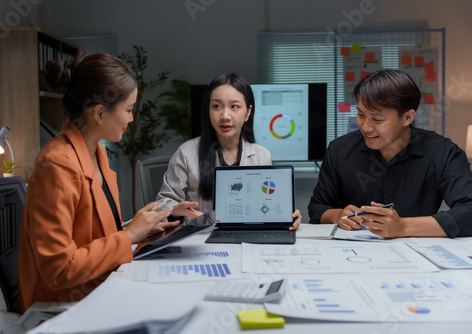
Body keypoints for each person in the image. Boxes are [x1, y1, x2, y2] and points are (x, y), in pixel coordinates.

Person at [17, 49, 179, 313]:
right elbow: (59, 270)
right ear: (100, 113)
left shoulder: (97, 152)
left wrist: (142, 232)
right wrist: (129, 235)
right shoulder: (57, 164)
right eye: (128, 109)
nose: (131, 119)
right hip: (63, 308)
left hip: (101, 289)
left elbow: (96, 238)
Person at [308, 68, 472, 238]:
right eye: (361, 115)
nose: (366, 127)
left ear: (408, 117)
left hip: (417, 255)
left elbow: (469, 211)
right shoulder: (339, 150)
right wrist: (337, 215)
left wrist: (403, 227)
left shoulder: (442, 152)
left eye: (377, 119)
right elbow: (317, 207)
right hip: (351, 253)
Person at [156, 73, 301, 229]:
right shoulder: (186, 153)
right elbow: (162, 203)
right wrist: (176, 209)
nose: (225, 116)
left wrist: (286, 215)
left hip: (247, 238)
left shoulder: (262, 155)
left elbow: (266, 203)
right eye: (217, 106)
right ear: (208, 110)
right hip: (200, 239)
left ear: (247, 112)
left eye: (234, 106)